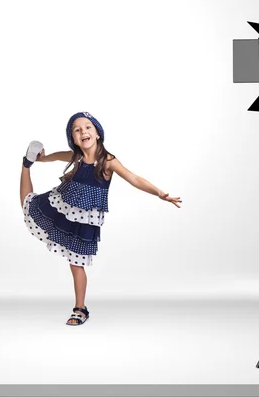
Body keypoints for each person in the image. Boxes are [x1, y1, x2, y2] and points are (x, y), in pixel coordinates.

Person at [20, 111, 181, 326]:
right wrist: (41, 159)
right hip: (64, 205)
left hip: (85, 219)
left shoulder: (107, 161)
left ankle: (80, 309)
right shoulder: (75, 156)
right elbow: (56, 156)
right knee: (29, 205)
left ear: (97, 133)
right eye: (77, 130)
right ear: (74, 139)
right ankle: (26, 165)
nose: (83, 132)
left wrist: (159, 193)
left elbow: (134, 178)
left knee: (76, 264)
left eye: (87, 127)